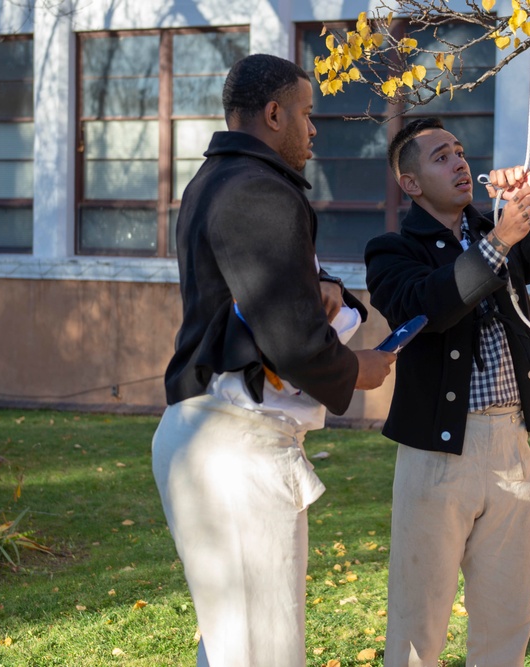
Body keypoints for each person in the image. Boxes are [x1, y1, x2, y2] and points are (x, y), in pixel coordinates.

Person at [152, 54, 395, 667]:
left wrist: (326, 285)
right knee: (261, 652)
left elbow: (263, 285)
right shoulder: (257, 189)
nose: (314, 129)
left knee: (236, 644)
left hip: (214, 438)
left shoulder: (217, 181)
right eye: (308, 114)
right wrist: (353, 370)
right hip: (234, 444)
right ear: (273, 113)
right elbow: (290, 337)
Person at [364, 117, 530, 667]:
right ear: (411, 183)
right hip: (437, 454)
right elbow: (430, 307)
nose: (461, 162)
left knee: (507, 616)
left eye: (461, 152)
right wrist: (501, 238)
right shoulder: (391, 250)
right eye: (441, 157)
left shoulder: (500, 232)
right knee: (419, 622)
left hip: (510, 443)